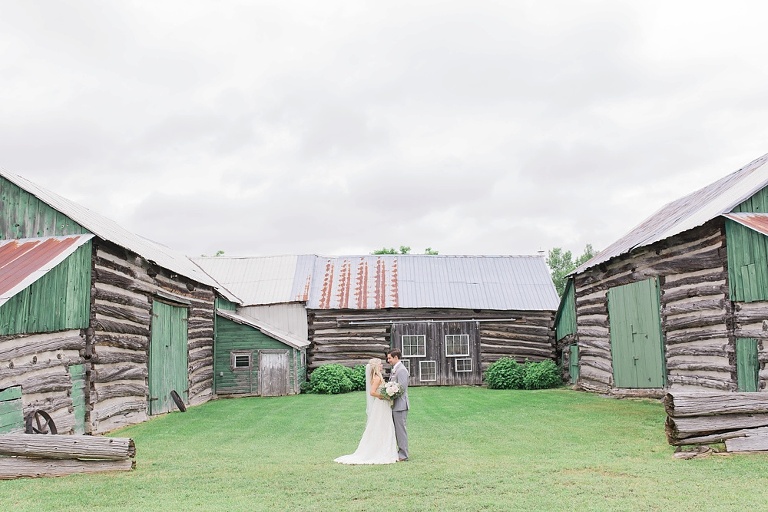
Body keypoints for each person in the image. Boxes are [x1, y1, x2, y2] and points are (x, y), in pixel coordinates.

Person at [334, 358, 399, 465]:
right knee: (382, 425)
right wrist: (384, 396)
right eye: (380, 364)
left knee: (384, 425)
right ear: (376, 366)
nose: (382, 366)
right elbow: (372, 392)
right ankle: (381, 451)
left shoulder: (378, 377)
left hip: (383, 405)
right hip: (381, 404)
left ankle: (385, 449)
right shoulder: (377, 378)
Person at [386, 348, 409, 461]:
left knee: (400, 431)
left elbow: (401, 389)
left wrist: (389, 395)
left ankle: (403, 454)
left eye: (389, 358)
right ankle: (399, 451)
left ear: (396, 357)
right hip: (395, 405)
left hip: (400, 405)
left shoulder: (402, 370)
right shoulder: (395, 369)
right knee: (396, 430)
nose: (388, 360)